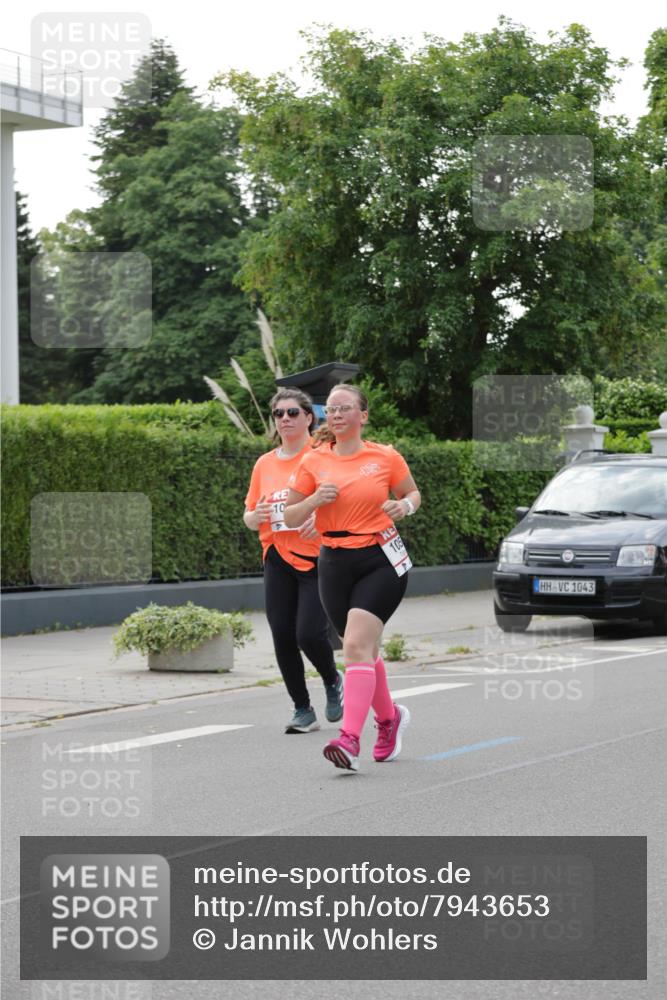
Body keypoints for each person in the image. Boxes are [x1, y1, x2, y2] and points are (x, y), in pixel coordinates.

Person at [284, 383, 421, 772]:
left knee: (356, 646)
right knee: (364, 651)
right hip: (333, 561)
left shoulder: (385, 457)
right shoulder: (313, 460)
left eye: (345, 408)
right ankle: (389, 719)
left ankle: (349, 739)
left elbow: (412, 494)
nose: (337, 414)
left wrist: (404, 507)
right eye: (331, 409)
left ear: (363, 415)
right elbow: (290, 516)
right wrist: (314, 501)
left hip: (379, 559)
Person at [243, 387, 344, 734]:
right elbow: (249, 514)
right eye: (278, 414)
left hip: (317, 557)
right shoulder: (264, 464)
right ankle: (302, 708)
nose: (284, 419)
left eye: (292, 413)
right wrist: (254, 516)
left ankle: (332, 679)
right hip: (277, 556)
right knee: (282, 633)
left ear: (308, 418)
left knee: (309, 633)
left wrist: (320, 519)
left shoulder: (323, 456)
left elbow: (343, 500)